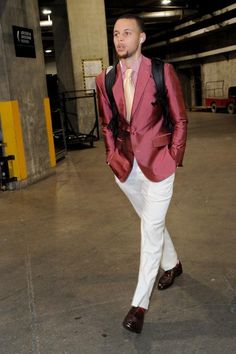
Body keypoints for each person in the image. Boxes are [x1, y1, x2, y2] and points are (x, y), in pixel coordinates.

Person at [96, 14, 188, 334]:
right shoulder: (105, 79)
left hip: (159, 164)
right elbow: (108, 124)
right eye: (116, 34)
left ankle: (139, 306)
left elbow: (179, 120)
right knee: (152, 220)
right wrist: (111, 155)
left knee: (149, 230)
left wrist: (172, 157)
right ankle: (173, 264)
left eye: (127, 33)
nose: (120, 39)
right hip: (126, 166)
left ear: (142, 38)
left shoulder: (162, 72)